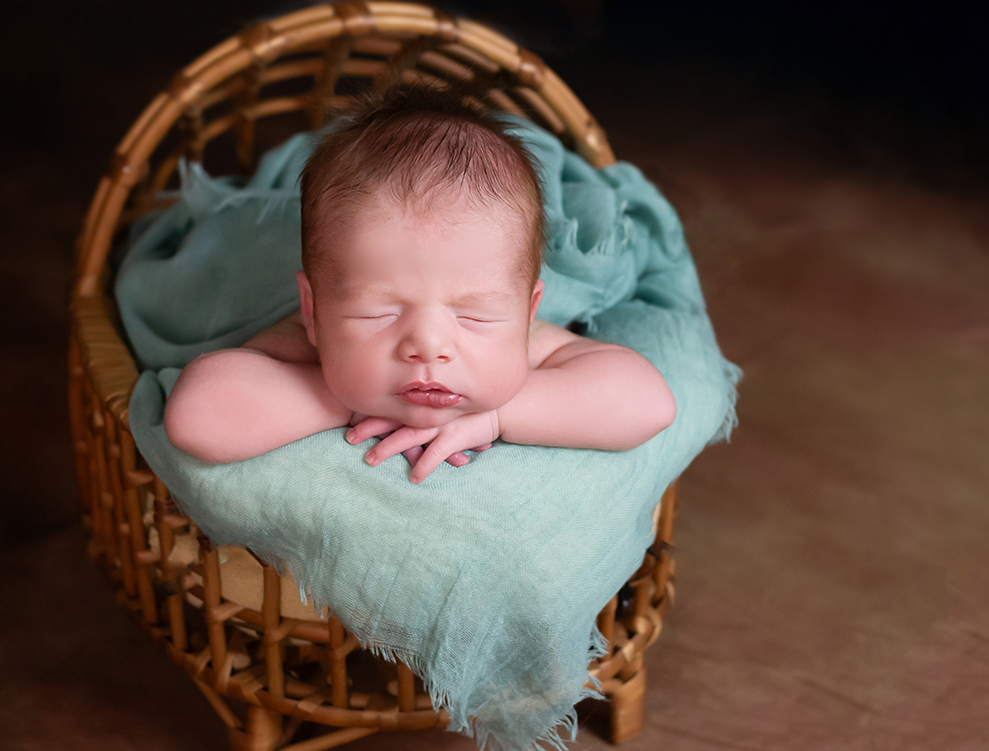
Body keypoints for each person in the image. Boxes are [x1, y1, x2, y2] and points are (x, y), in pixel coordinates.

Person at [163, 86, 676, 484]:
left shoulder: (525, 340)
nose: (429, 344)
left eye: (472, 315)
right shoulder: (305, 343)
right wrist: (344, 395)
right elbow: (196, 417)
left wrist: (501, 413)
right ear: (313, 312)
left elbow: (649, 403)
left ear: (526, 311)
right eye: (379, 313)